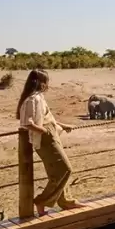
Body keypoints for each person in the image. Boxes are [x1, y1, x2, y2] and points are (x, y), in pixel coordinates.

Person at [16, 68, 82, 216]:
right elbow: (26, 122)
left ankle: (66, 200)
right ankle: (42, 201)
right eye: (46, 81)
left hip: (51, 135)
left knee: (59, 171)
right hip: (45, 139)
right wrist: (44, 131)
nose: (47, 84)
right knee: (64, 169)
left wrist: (62, 125)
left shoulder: (39, 97)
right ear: (40, 82)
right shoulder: (31, 100)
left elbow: (48, 117)